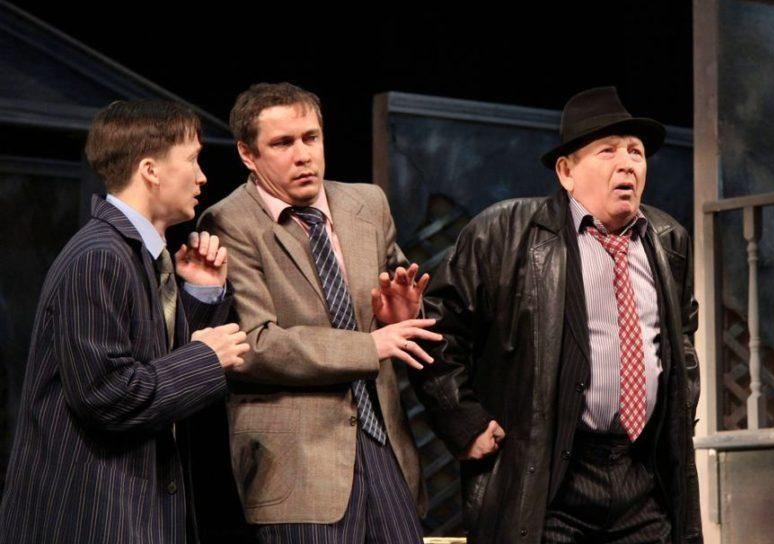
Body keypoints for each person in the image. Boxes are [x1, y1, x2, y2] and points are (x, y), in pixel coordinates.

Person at [412, 86, 703, 543]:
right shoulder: (503, 232)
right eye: (608, 151)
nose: (627, 164)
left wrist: (681, 411)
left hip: (641, 477)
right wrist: (462, 421)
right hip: (548, 480)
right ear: (566, 172)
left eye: (636, 152)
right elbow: (438, 329)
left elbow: (681, 339)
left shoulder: (668, 240)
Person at [0, 100, 248, 543]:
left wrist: (201, 293)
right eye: (192, 159)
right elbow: (108, 396)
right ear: (150, 170)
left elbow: (158, 372)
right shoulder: (100, 256)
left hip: (132, 508)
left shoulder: (137, 256)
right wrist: (206, 358)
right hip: (94, 517)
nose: (202, 177)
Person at [200, 82, 437, 543]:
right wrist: (368, 345)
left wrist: (403, 313)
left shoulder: (367, 204)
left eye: (311, 138)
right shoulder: (230, 222)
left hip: (383, 442)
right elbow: (255, 343)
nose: (303, 155)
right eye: (283, 143)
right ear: (248, 154)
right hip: (299, 464)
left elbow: (399, 307)